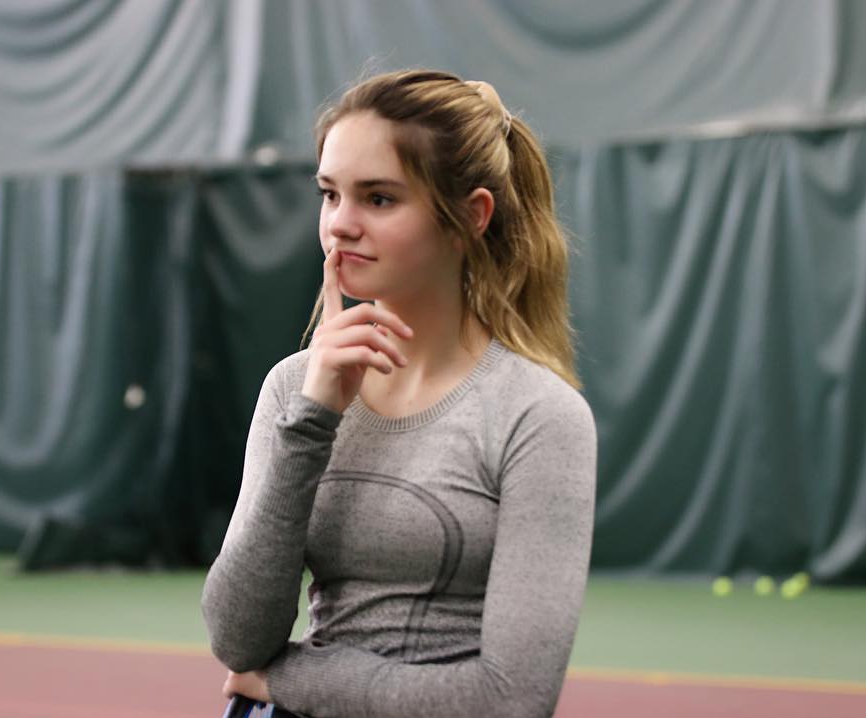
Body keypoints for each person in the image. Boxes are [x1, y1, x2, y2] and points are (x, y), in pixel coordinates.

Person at [202, 69, 598, 717]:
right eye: (330, 194)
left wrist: (295, 681)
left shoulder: (539, 416)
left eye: (379, 199)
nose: (341, 225)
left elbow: (512, 701)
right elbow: (237, 640)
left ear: (470, 217)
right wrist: (312, 420)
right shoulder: (293, 388)